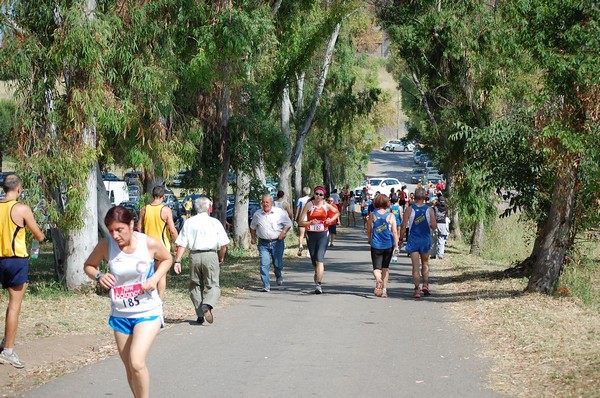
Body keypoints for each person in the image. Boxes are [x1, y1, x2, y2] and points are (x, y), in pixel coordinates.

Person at [84, 206, 172, 397]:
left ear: (131, 224)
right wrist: (99, 275)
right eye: (111, 231)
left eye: (119, 230)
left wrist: (155, 278)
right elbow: (89, 266)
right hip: (121, 314)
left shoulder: (147, 243)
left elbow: (167, 259)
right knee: (130, 368)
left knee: (137, 362)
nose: (115, 236)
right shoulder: (106, 246)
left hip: (147, 311)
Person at [0, 174, 45, 368]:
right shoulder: (21, 209)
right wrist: (41, 238)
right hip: (15, 261)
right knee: (14, 305)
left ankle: (5, 343)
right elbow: (39, 235)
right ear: (19, 188)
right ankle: (8, 350)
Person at [174, 197, 229, 324]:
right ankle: (208, 304)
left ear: (195, 208)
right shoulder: (214, 222)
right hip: (210, 255)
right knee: (213, 285)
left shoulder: (189, 222)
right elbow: (223, 245)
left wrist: (177, 261)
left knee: (195, 285)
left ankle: (200, 315)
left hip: (194, 256)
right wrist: (220, 257)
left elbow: (182, 243)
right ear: (209, 208)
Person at [137, 186, 178, 299]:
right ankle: (159, 298)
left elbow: (139, 228)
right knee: (161, 275)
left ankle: (147, 296)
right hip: (162, 246)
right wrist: (177, 243)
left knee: (148, 273)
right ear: (163, 196)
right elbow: (172, 230)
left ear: (152, 195)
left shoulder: (144, 209)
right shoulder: (165, 210)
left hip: (147, 246)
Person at [298, 186, 339, 294]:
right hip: (311, 235)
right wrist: (309, 223)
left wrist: (330, 219)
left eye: (321, 195)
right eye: (317, 193)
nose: (318, 196)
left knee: (320, 259)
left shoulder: (326, 205)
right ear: (314, 194)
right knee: (314, 260)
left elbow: (337, 212)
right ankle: (317, 274)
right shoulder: (309, 205)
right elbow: (300, 222)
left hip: (323, 234)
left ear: (323, 196)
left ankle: (318, 285)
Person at [399, 187, 437, 299]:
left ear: (414, 197)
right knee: (425, 263)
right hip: (425, 240)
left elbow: (403, 226)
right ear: (425, 197)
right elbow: (434, 226)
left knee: (415, 266)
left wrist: (400, 238)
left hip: (413, 240)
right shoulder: (429, 210)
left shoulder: (409, 209)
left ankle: (417, 289)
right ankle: (425, 284)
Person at [250, 195, 293, 292]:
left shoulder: (279, 212)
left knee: (278, 264)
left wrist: (283, 232)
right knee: (264, 263)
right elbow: (253, 227)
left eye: (267, 202)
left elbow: (288, 224)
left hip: (277, 242)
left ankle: (278, 274)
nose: (265, 204)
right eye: (263, 202)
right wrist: (253, 238)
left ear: (272, 203)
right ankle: (266, 285)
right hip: (263, 243)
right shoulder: (257, 214)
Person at [367, 194, 399, 298]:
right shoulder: (391, 215)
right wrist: (397, 244)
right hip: (388, 245)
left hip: (376, 244)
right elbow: (394, 231)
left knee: (377, 268)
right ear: (387, 203)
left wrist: (369, 238)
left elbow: (369, 229)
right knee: (385, 268)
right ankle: (384, 291)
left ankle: (378, 279)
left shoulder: (373, 214)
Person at [295, 187, 311, 257]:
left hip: (302, 219)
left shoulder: (300, 200)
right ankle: (308, 251)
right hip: (309, 219)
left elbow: (298, 209)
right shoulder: (311, 200)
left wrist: (295, 218)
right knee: (309, 235)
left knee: (301, 235)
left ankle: (300, 246)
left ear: (303, 192)